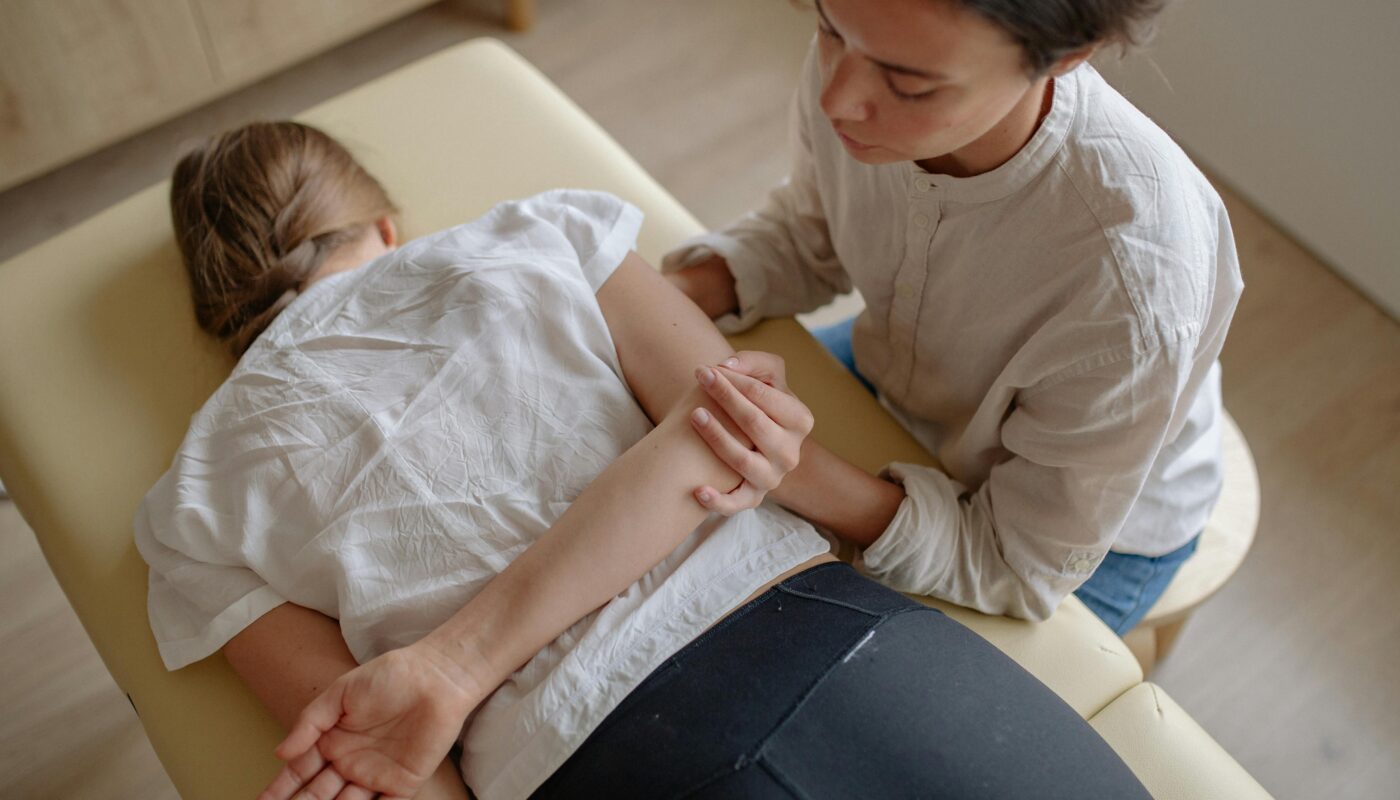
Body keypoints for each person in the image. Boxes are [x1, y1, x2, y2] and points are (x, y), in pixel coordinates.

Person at [135, 121, 1150, 800]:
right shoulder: (542, 233)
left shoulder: (184, 510)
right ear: (386, 224)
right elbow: (733, 437)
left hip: (587, 763)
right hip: (816, 632)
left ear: (220, 314)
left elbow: (368, 755)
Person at [664, 0, 1244, 633]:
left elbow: (1014, 564)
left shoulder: (1134, 289)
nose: (837, 98)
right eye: (828, 26)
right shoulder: (872, 42)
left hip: (1078, 541)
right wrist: (665, 291)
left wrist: (796, 471)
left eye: (908, 85)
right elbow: (813, 233)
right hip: (910, 378)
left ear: (1065, 58)